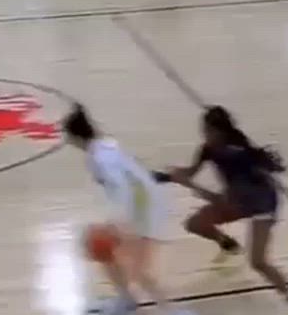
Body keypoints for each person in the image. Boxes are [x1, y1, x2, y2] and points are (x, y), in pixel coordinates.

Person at [163, 107, 288, 308]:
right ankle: (227, 243)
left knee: (258, 262)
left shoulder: (237, 157)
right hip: (238, 199)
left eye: (208, 131)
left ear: (220, 132)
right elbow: (191, 171)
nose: (205, 135)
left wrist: (189, 185)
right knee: (194, 224)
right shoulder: (208, 149)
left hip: (262, 204)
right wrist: (175, 174)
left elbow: (220, 200)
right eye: (204, 131)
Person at [61, 106, 192, 315]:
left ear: (76, 136)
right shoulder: (104, 148)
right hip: (140, 205)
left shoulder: (102, 157)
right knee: (100, 247)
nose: (67, 141)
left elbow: (125, 187)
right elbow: (136, 177)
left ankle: (172, 310)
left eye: (68, 136)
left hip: (144, 209)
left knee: (134, 264)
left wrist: (123, 221)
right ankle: (126, 299)